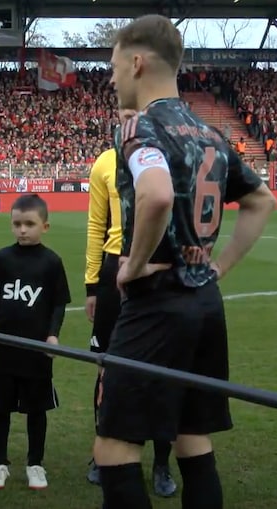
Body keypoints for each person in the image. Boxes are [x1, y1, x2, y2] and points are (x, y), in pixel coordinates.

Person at [95, 14, 276, 509]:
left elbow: (154, 196)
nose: (110, 78)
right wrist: (217, 267)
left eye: (112, 66)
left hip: (157, 302)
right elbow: (263, 200)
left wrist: (130, 265)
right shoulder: (212, 133)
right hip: (205, 301)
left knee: (113, 445)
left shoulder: (139, 128)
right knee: (193, 438)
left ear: (136, 62)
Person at [83, 145, 177, 497]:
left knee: (163, 370)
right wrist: (92, 283)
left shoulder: (172, 157)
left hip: (159, 270)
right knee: (107, 368)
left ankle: (162, 462)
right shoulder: (105, 162)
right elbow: (96, 224)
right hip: (114, 271)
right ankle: (102, 454)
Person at [0, 194, 71, 492]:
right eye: (17, 224)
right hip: (1, 350)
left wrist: (53, 335)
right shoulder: (1, 258)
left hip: (36, 352)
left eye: (29, 224)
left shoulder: (52, 262)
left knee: (36, 411)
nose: (22, 230)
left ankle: (35, 464)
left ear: (45, 226)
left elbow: (58, 305)